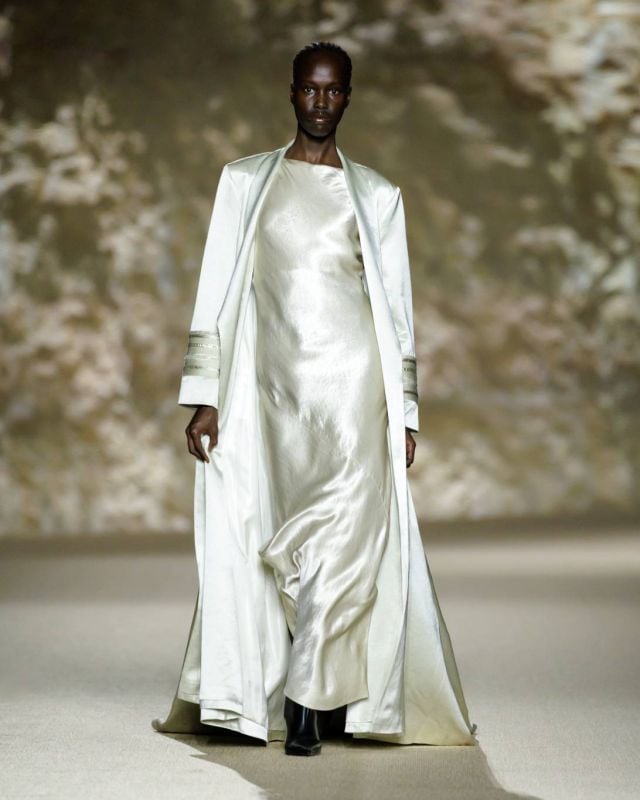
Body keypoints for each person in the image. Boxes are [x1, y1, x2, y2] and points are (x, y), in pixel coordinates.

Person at [152, 42, 477, 757]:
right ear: (292, 92)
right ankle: (305, 688)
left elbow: (396, 312)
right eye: (310, 90)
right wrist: (204, 395)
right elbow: (218, 289)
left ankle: (305, 703)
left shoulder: (379, 196)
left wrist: (405, 413)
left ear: (349, 97)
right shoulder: (244, 182)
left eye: (334, 91)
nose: (321, 103)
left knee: (345, 542)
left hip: (356, 393)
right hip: (273, 399)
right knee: (280, 539)